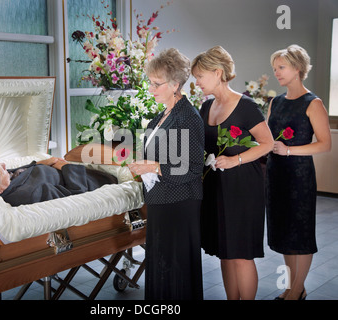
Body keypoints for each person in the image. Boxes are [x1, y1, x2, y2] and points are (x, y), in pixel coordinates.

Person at [191, 46, 273, 300]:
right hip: (215, 189)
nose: (197, 82)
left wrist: (235, 159)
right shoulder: (206, 108)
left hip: (243, 188)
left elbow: (267, 144)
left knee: (240, 255)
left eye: (200, 77)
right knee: (224, 253)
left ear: (218, 73)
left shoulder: (246, 106)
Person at [128, 48, 205, 300]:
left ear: (175, 84)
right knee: (161, 267)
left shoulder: (188, 117)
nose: (151, 89)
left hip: (180, 204)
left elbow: (193, 168)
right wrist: (142, 163)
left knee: (176, 270)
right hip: (161, 200)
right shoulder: (161, 116)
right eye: (150, 82)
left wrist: (152, 167)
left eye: (156, 84)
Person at [266, 44, 331, 300]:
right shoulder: (276, 101)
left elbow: (325, 144)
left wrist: (289, 151)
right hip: (275, 174)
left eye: (281, 68)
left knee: (300, 232)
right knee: (284, 232)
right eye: (275, 69)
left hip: (299, 176)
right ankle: (294, 288)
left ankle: (296, 291)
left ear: (298, 68)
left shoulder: (313, 103)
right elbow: (268, 137)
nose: (276, 73)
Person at [0, 157, 117, 206]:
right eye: (1, 169)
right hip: (91, 180)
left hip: (55, 165)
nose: (5, 166)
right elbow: (78, 196)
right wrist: (65, 167)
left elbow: (20, 172)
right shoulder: (30, 195)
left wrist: (43, 162)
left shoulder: (3, 183)